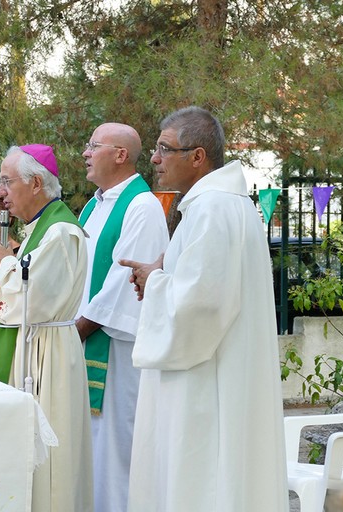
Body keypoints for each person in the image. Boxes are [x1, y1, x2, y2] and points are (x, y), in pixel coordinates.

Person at [119, 106, 288, 511]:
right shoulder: (223, 204)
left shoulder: (212, 208)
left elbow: (201, 307)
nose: (155, 159)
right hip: (217, 373)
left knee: (199, 482)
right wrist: (165, 269)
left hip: (204, 385)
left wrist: (153, 283)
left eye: (164, 149)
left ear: (197, 157)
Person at [0, 144, 94, 511]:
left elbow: (32, 300)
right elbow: (17, 288)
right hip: (33, 347)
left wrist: (6, 262)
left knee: (50, 468)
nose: (0, 193)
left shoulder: (60, 231)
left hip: (48, 354)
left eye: (6, 182)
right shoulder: (36, 230)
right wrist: (4, 270)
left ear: (36, 183)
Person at [75, 123, 169, 512]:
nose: (84, 152)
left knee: (116, 450)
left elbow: (124, 282)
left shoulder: (141, 206)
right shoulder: (93, 205)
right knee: (91, 450)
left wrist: (76, 330)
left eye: (93, 145)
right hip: (84, 340)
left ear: (120, 155)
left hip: (116, 351)